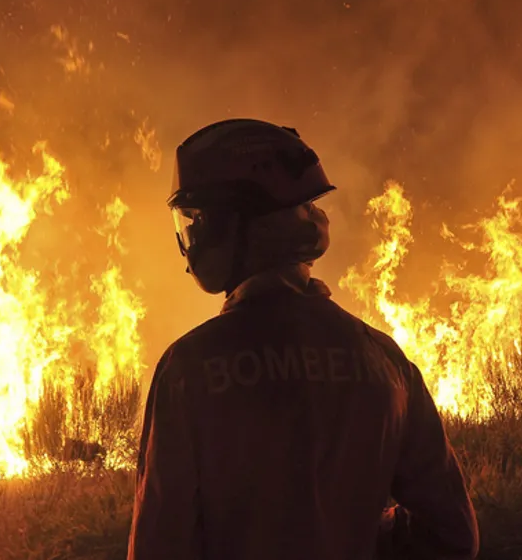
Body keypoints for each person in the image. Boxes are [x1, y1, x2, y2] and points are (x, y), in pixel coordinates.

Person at [127, 118, 479, 560]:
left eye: (197, 221)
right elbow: (452, 535)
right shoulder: (384, 361)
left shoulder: (189, 371)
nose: (192, 237)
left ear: (231, 226)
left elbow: (161, 546)